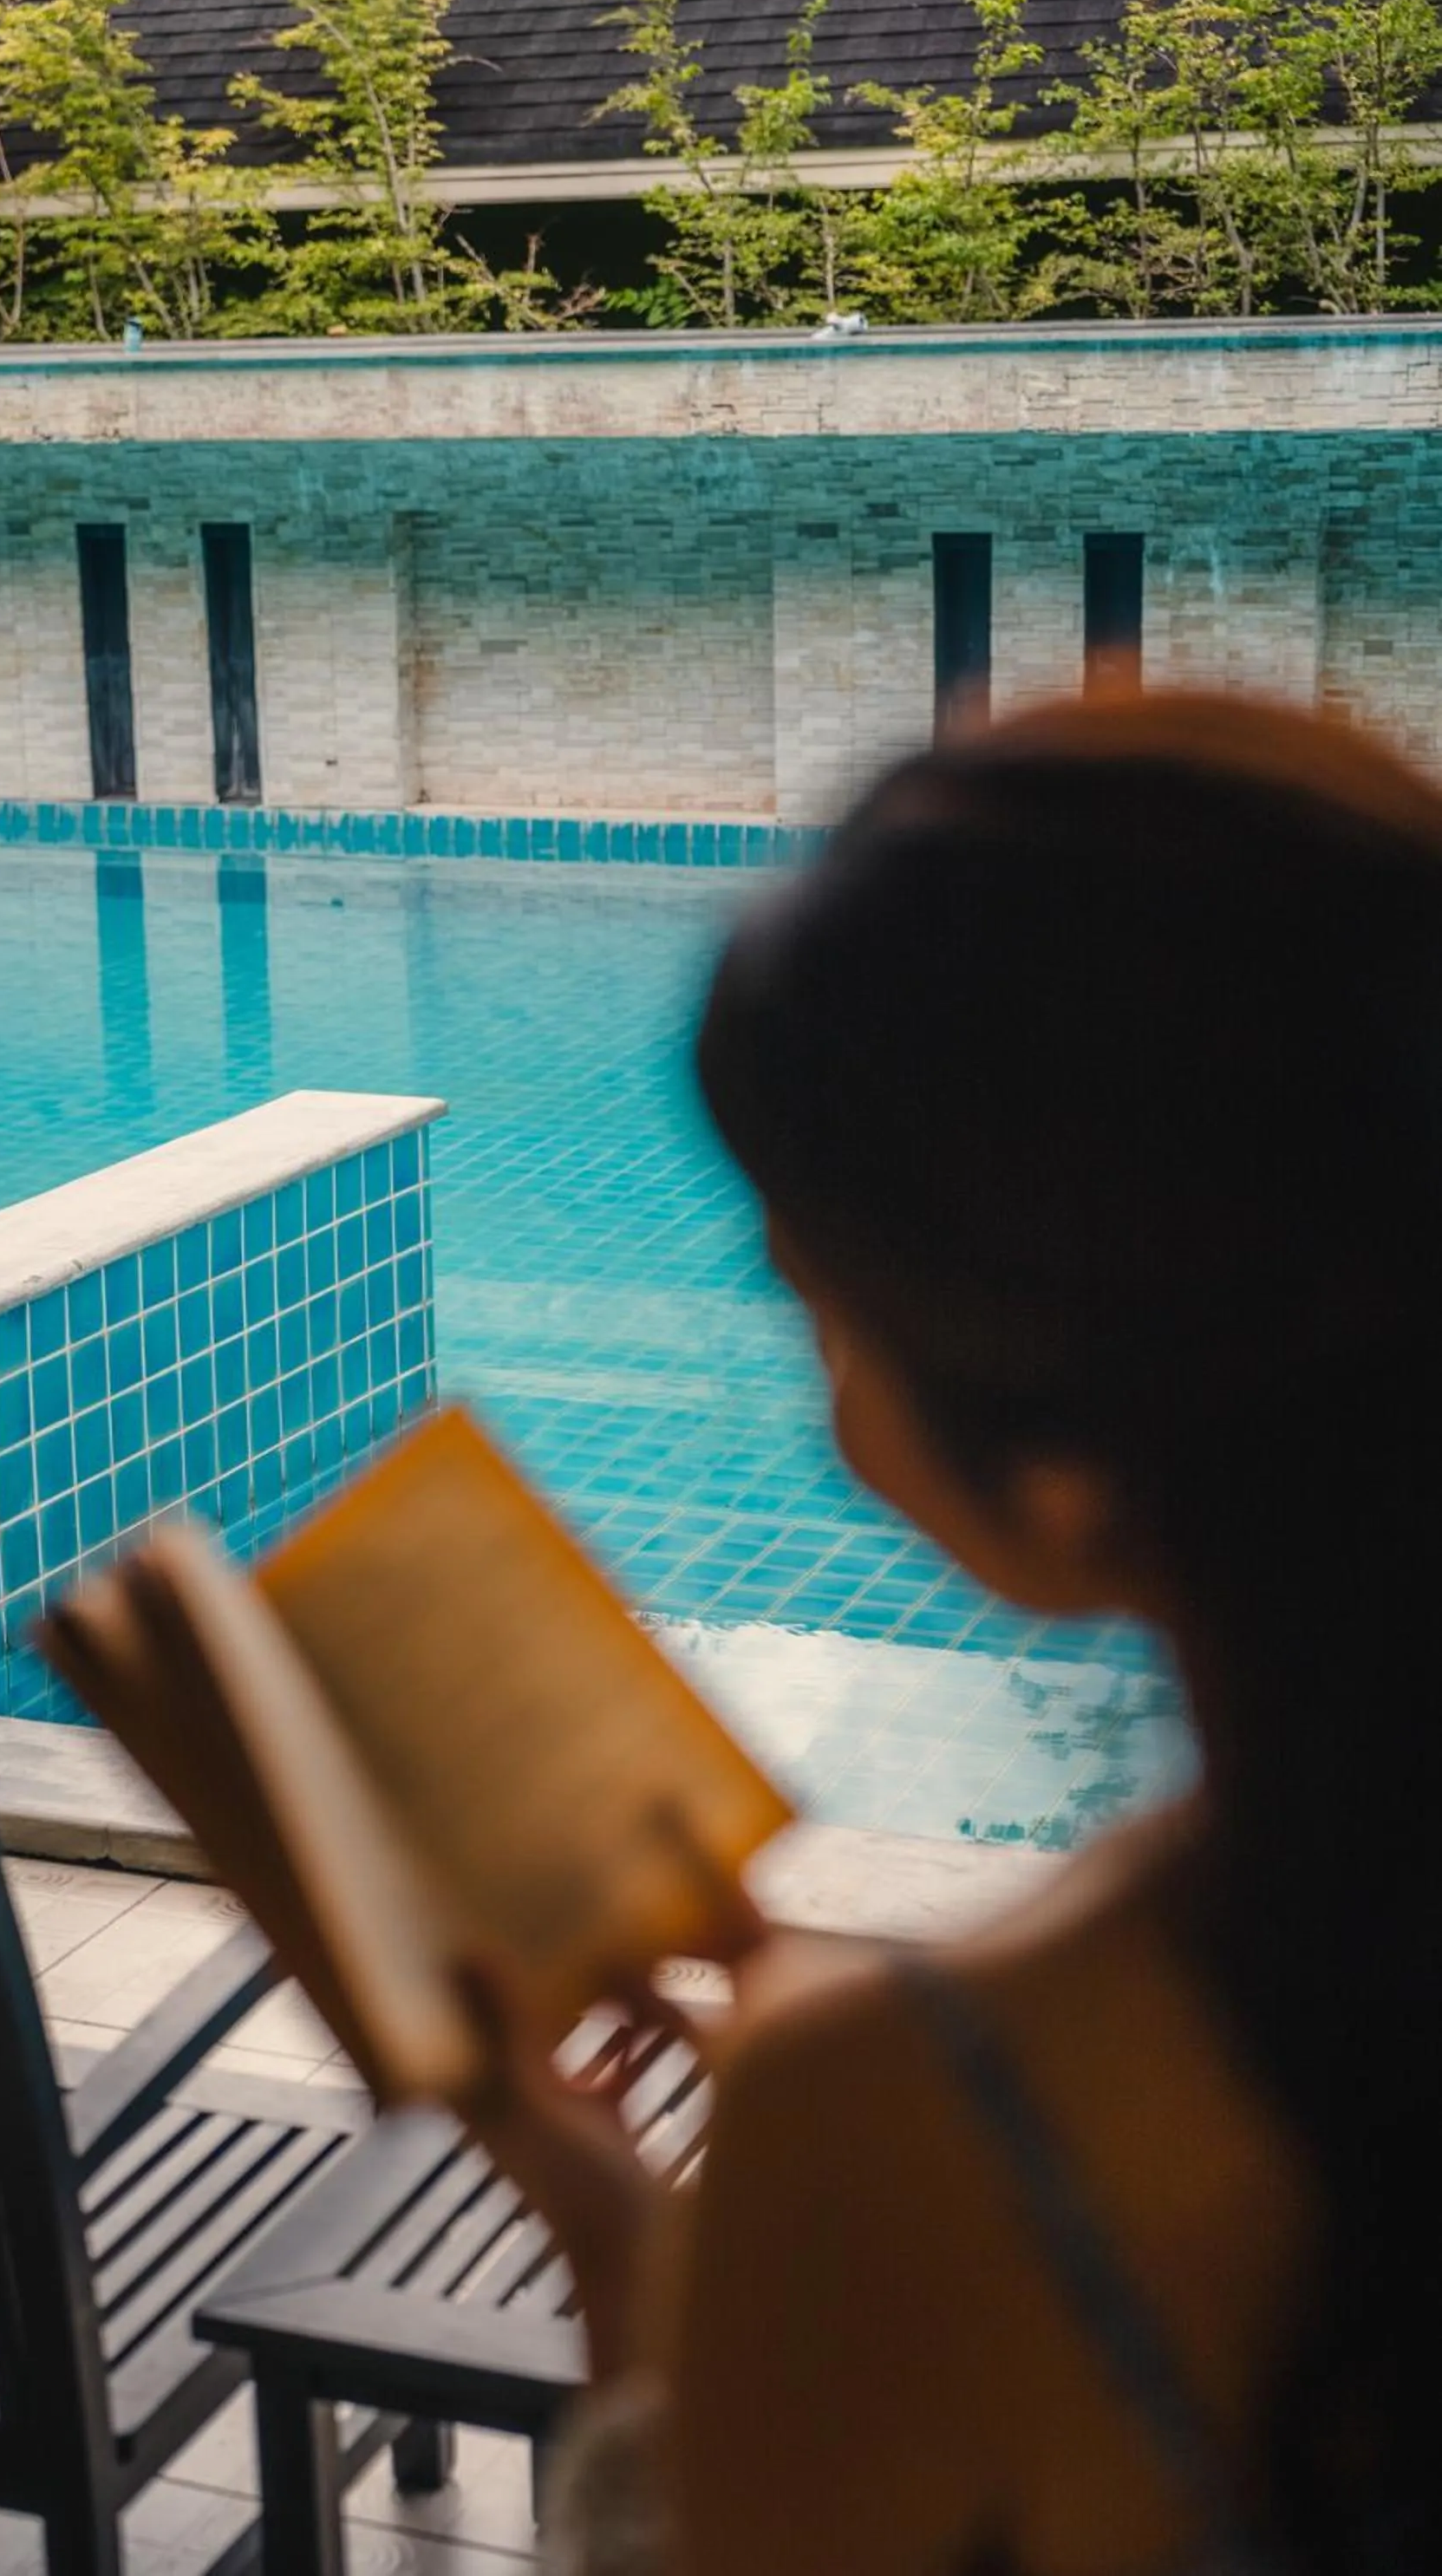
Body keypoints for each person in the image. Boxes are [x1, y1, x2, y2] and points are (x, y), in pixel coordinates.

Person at [461, 691, 1442, 2575]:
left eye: (821, 1311)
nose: (828, 1415)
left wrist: (629, 2248)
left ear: (1073, 1472)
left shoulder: (917, 2127)